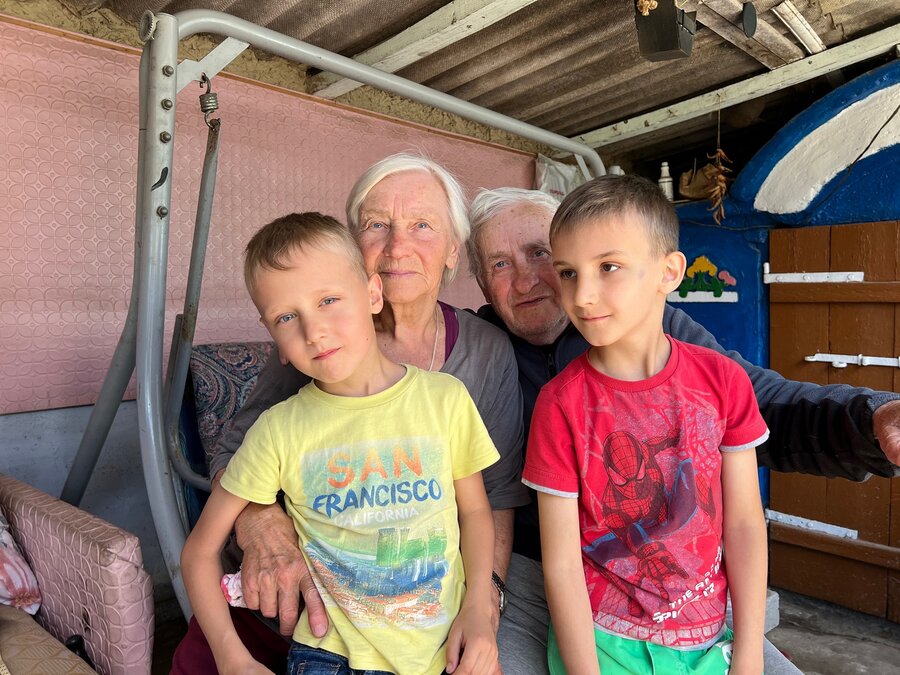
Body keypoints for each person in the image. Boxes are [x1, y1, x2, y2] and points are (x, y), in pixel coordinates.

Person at [466, 186, 900, 675]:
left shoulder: (674, 340)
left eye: (539, 254)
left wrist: (871, 418)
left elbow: (769, 405)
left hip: (696, 610)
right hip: (547, 589)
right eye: (499, 264)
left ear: (666, 274)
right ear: (480, 283)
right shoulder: (481, 354)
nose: (527, 279)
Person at [171, 155, 525, 673]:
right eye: (377, 224)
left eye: (422, 225)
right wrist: (263, 524)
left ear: (454, 250)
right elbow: (239, 453)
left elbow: (490, 499)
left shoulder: (476, 362)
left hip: (425, 625)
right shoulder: (313, 346)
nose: (398, 245)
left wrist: (482, 603)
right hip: (312, 625)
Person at [521, 175, 769, 674]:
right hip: (604, 643)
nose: (583, 295)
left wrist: (750, 653)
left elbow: (743, 524)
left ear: (669, 271)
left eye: (608, 267)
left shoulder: (723, 382)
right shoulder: (560, 404)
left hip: (708, 640)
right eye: (568, 273)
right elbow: (565, 563)